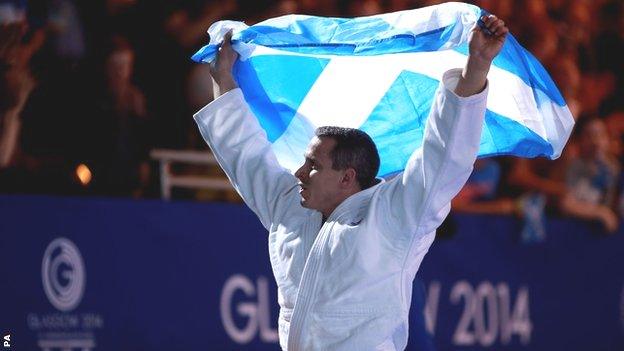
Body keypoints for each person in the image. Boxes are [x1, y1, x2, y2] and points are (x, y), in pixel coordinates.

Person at [194, 14, 508, 351]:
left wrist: (476, 66)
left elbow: (444, 157)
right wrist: (224, 76)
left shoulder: (393, 215)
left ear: (347, 177)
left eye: (312, 165)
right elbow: (245, 153)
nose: (299, 173)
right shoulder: (290, 208)